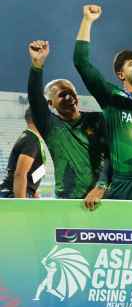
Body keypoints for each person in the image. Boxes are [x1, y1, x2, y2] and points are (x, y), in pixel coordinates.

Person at [72, 6, 132, 200]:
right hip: (124, 183)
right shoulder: (111, 96)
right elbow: (82, 63)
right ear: (120, 74)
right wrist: (87, 20)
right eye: (131, 64)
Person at [26, 40, 106, 199]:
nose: (69, 97)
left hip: (101, 197)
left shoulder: (97, 119)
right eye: (62, 95)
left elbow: (110, 156)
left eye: (71, 92)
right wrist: (37, 65)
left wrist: (101, 186)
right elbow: (35, 99)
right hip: (66, 200)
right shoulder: (50, 125)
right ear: (50, 103)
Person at [1, 111, 46, 198]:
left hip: (15, 194)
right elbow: (20, 174)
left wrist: (33, 191)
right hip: (12, 196)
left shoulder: (31, 138)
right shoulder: (31, 140)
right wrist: (21, 204)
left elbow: (29, 173)